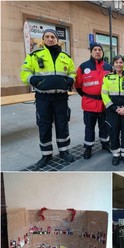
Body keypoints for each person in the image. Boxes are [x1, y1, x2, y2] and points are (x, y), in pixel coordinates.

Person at [20, 28, 76, 168]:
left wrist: (69, 81)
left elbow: (72, 72)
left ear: (57, 39)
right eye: (47, 36)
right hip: (43, 98)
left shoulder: (66, 56)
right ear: (43, 39)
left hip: (61, 98)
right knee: (44, 125)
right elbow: (24, 72)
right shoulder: (34, 55)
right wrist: (32, 80)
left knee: (62, 124)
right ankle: (46, 154)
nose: (50, 39)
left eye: (53, 37)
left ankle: (64, 151)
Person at [75, 42, 112, 160]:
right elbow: (78, 85)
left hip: (104, 104)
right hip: (89, 103)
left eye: (99, 50)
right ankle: (88, 147)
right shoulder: (83, 67)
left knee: (104, 126)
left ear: (102, 52)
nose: (97, 52)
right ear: (91, 52)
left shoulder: (108, 67)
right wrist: (88, 96)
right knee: (89, 127)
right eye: (95, 50)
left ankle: (105, 143)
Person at [101, 55, 124, 166]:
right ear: (113, 64)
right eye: (116, 62)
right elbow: (104, 93)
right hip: (113, 110)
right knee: (113, 131)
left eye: (121, 62)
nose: (118, 64)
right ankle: (116, 154)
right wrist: (114, 107)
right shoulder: (107, 78)